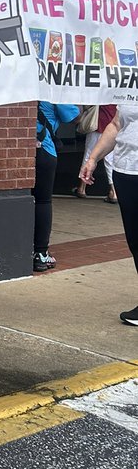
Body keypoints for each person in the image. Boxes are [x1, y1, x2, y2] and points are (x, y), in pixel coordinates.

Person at [80, 106, 138, 325]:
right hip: (125, 171)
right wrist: (93, 158)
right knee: (135, 241)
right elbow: (116, 124)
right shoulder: (127, 89)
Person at [32, 100, 79, 273]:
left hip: (21, 148)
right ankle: (40, 253)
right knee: (43, 201)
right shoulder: (54, 89)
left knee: (25, 198)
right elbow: (74, 117)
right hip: (44, 148)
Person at [73, 103, 117, 202]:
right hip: (112, 124)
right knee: (110, 160)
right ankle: (114, 191)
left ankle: (82, 188)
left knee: (89, 156)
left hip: (97, 124)